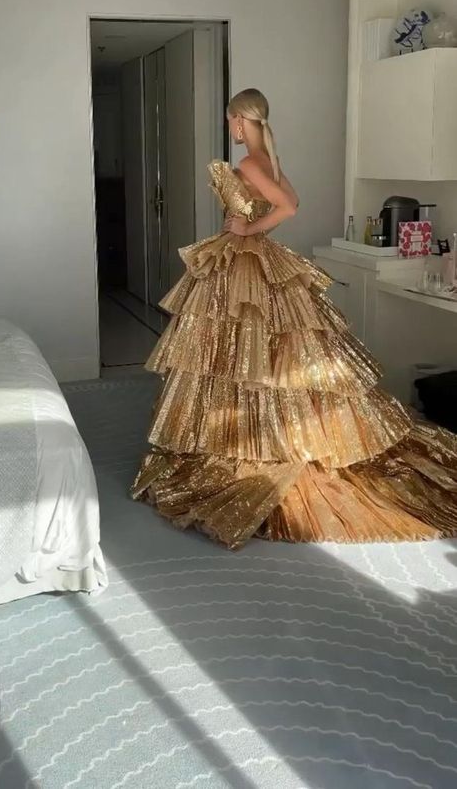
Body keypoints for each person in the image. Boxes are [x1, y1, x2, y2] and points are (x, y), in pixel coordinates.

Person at [132, 88, 457, 548]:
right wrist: (250, 226)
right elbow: (291, 200)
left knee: (239, 350)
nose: (230, 127)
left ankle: (252, 437)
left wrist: (246, 227)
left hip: (246, 258)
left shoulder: (250, 164)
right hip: (253, 256)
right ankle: (263, 427)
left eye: (230, 120)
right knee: (266, 347)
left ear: (240, 120)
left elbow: (288, 207)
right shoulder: (271, 162)